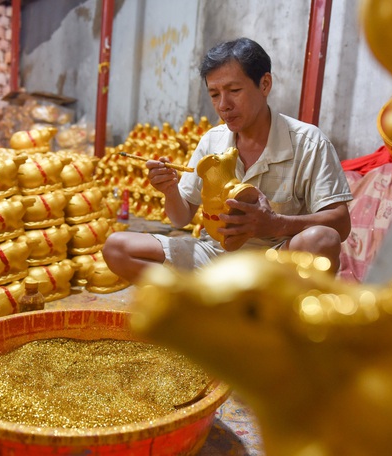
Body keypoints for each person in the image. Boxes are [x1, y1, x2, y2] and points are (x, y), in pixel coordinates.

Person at [103, 37, 352, 282]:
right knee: (117, 247)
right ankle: (208, 302)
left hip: (275, 263)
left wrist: (276, 225)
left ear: (265, 84)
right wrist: (169, 190)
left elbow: (340, 224)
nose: (223, 105)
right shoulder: (212, 141)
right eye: (214, 94)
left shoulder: (308, 142)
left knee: (321, 240)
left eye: (234, 91)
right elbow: (181, 218)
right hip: (215, 258)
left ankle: (263, 311)